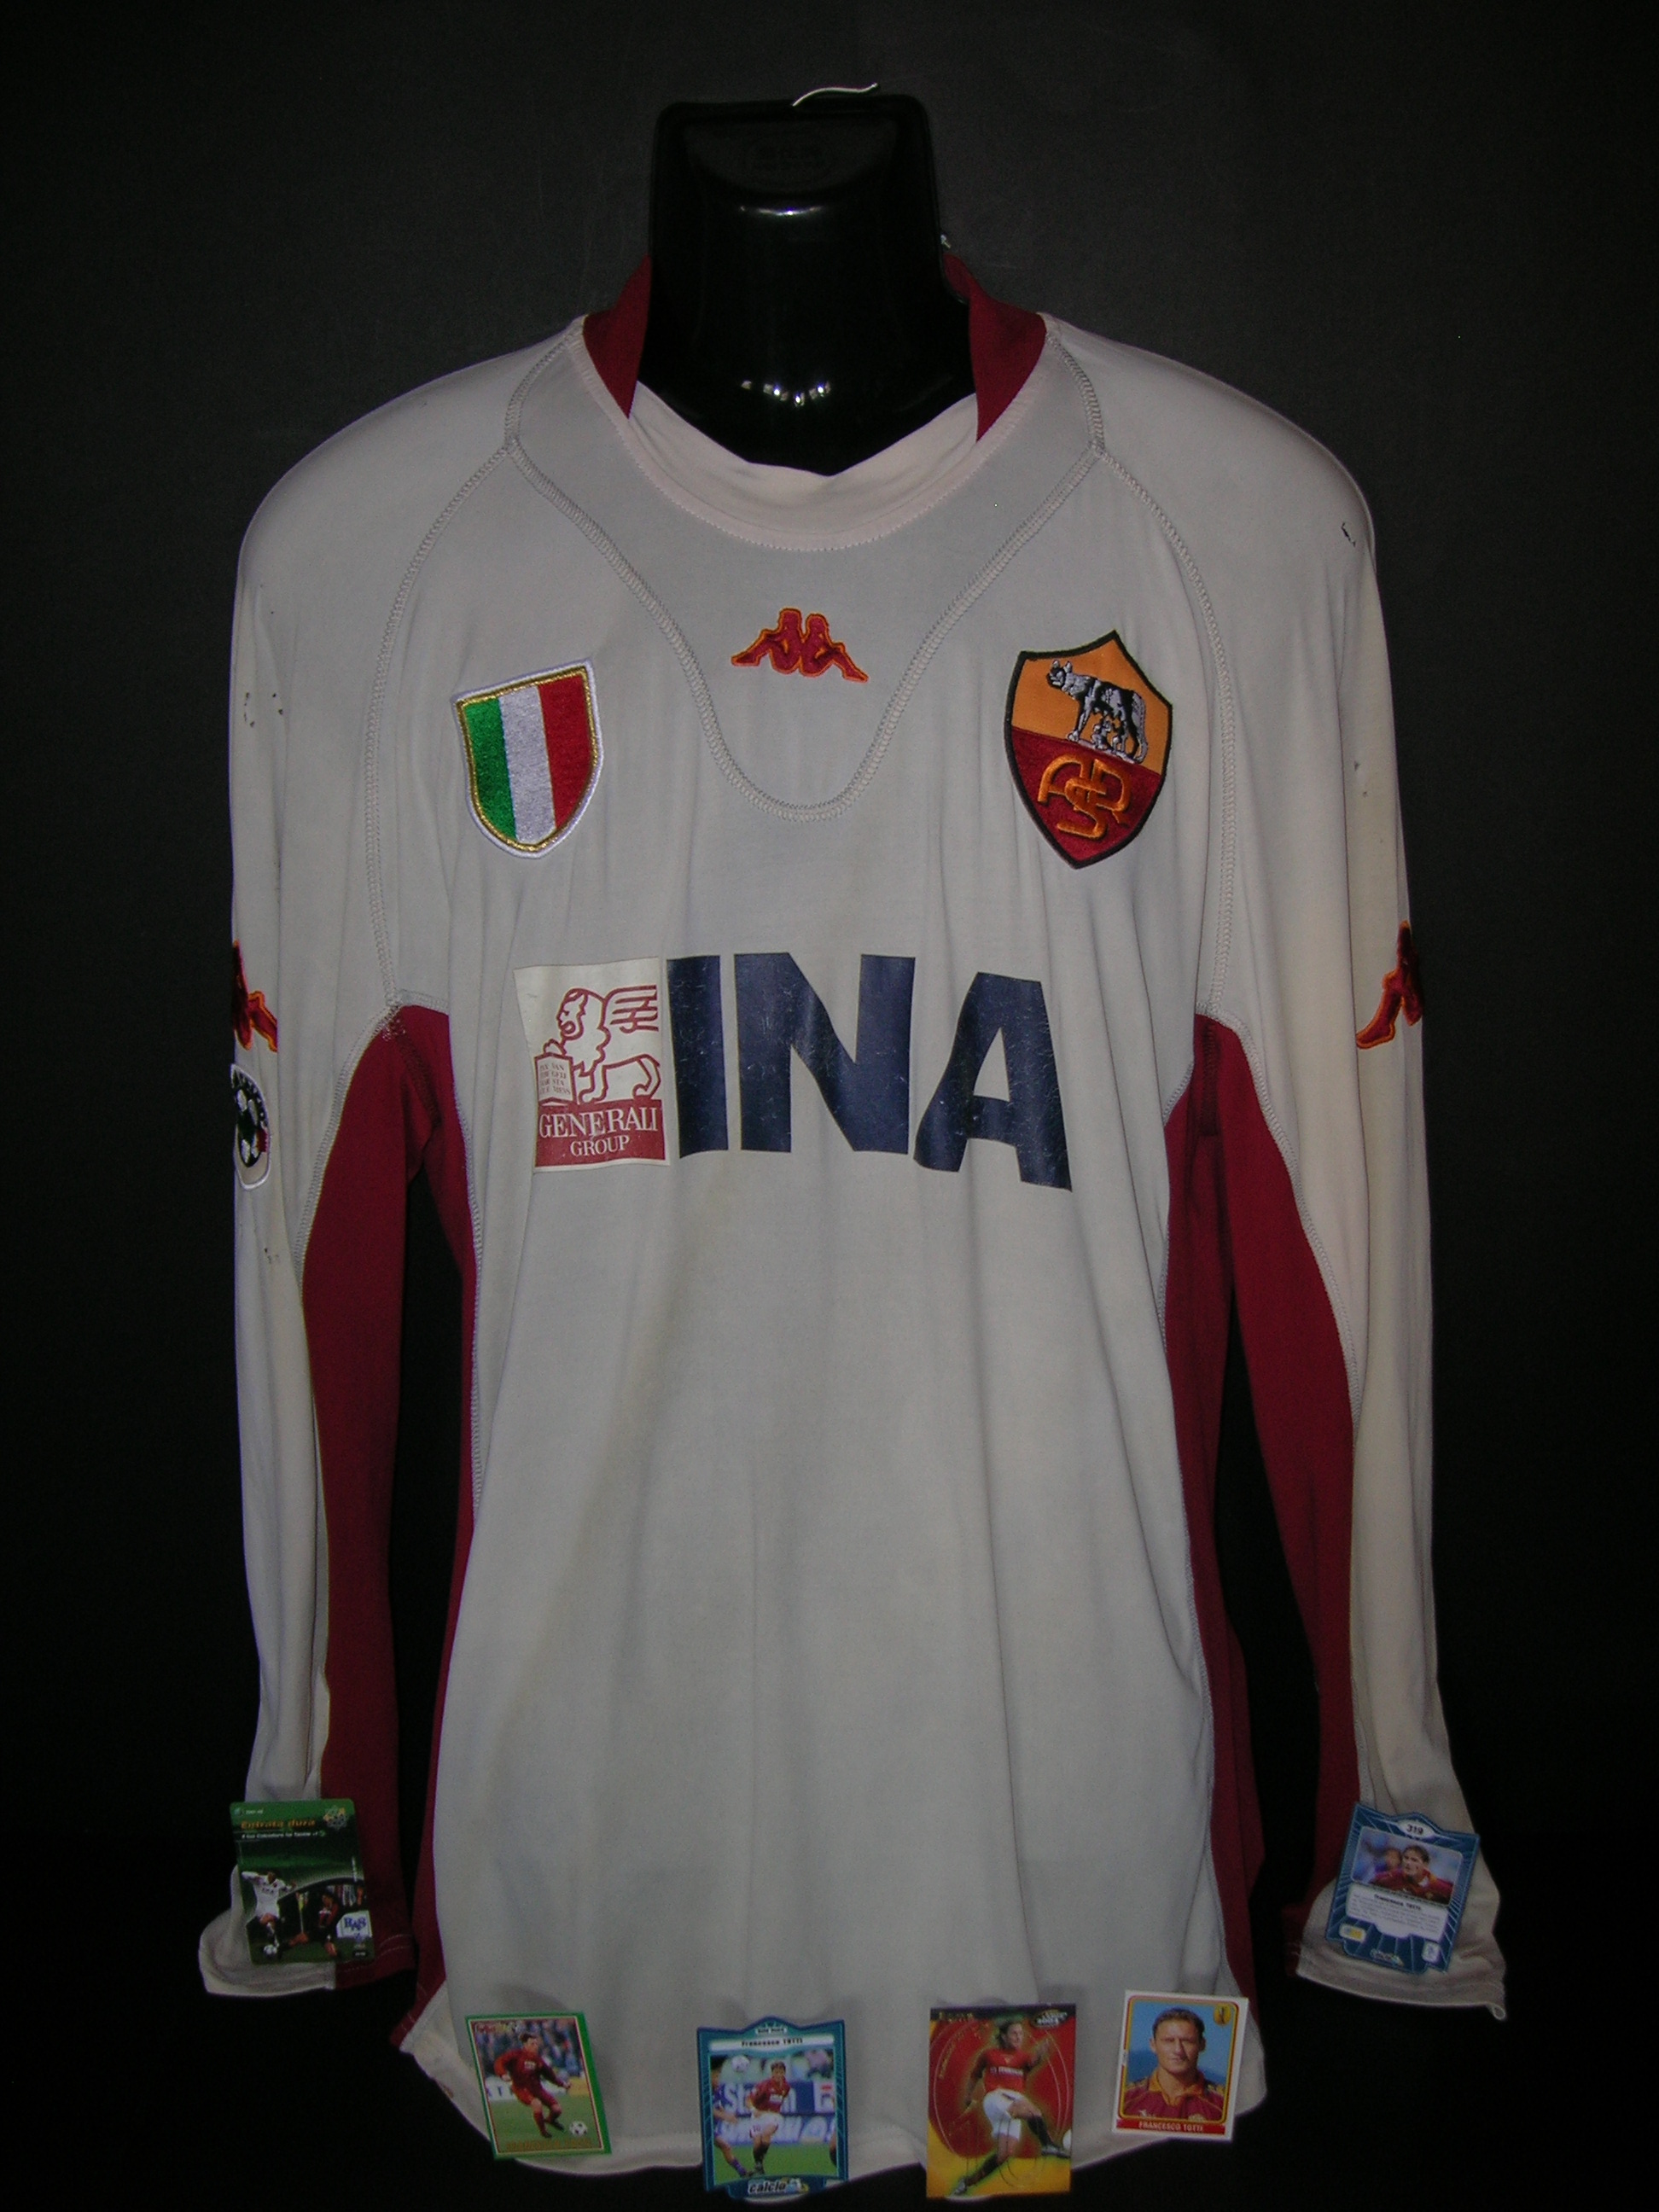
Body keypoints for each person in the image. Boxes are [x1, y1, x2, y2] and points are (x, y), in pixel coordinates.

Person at [952, 2016, 1065, 2196]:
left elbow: (1033, 2062)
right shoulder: (989, 2054)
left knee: (1005, 2154)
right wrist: (967, 2096)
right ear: (1004, 2036)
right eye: (1014, 2033)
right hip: (996, 2098)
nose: (1019, 2037)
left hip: (1015, 2100)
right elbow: (975, 2075)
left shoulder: (1023, 2057)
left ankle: (967, 2182)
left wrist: (1040, 2053)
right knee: (1032, 2110)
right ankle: (1048, 2145)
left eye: (1021, 2033)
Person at [1120, 2008, 1225, 2124]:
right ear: (1153, 2045)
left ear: (1202, 2045)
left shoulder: (1224, 2102)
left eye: (1187, 2041)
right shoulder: (1125, 2099)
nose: (1178, 2050)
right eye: (1169, 2041)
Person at [496, 2029, 568, 2139]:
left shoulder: (538, 2060)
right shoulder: (516, 2055)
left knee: (557, 2109)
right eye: (532, 2044)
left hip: (537, 2089)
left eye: (536, 2044)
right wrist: (503, 2074)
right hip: (521, 2089)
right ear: (525, 2045)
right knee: (537, 2104)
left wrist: (563, 2085)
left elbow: (550, 2076)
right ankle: (543, 2132)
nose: (535, 2046)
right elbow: (499, 2062)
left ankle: (550, 2120)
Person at [746, 2058, 791, 2169]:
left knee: (766, 2134)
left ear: (784, 2073)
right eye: (776, 2072)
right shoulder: (764, 2085)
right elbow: (748, 2100)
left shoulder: (786, 2087)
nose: (779, 2075)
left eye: (781, 2072)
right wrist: (753, 2110)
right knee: (757, 2142)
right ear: (772, 2073)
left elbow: (781, 2098)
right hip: (758, 2115)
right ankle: (759, 2164)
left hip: (773, 2115)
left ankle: (759, 2163)